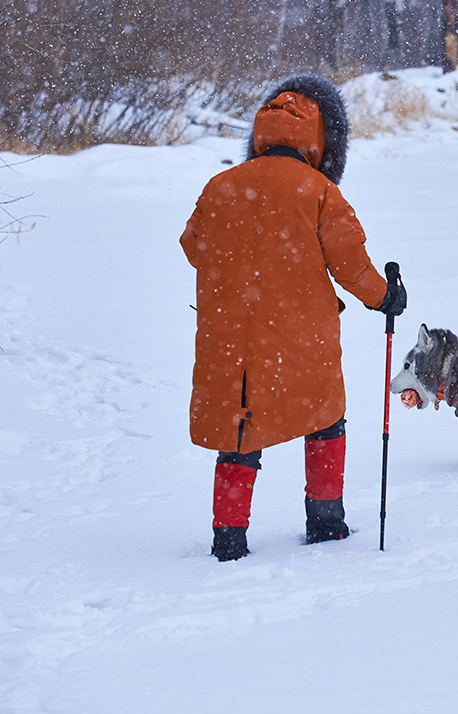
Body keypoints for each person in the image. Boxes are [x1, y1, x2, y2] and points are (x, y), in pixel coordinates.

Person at [180, 72, 406, 562]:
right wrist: (385, 297)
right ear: (325, 141)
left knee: (238, 432)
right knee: (325, 419)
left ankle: (229, 539)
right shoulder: (319, 191)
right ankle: (326, 524)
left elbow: (194, 246)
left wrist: (244, 264)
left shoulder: (221, 186)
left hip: (233, 339)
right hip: (304, 337)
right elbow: (351, 265)